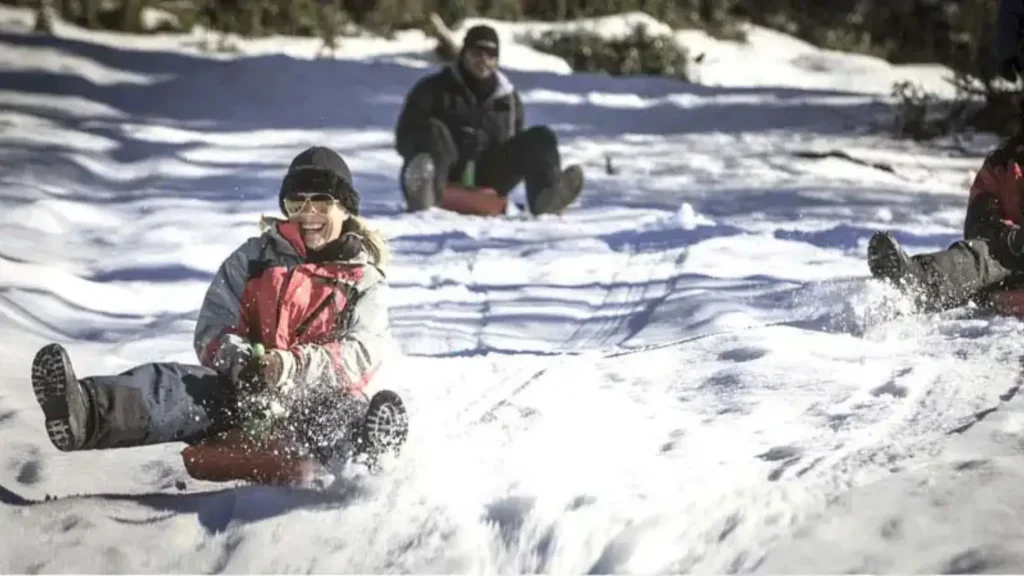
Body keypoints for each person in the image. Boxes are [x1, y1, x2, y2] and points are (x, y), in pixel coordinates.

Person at [29, 145, 407, 465]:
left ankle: (371, 446)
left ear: (345, 208)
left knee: (338, 414)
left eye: (321, 201)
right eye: (297, 202)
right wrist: (244, 364)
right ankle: (85, 412)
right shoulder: (254, 258)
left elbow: (362, 352)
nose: (308, 214)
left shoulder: (363, 279)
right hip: (247, 396)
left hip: (315, 401)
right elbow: (213, 326)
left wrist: (288, 367)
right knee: (176, 386)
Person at [394, 24, 584, 215]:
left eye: (491, 54)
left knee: (540, 137)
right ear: (464, 53)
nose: (483, 59)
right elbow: (404, 136)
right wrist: (429, 148)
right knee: (433, 130)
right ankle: (422, 192)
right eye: (477, 52)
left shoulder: (507, 100)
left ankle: (547, 197)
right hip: (442, 173)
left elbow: (514, 145)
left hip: (488, 175)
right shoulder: (433, 89)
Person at [868, 131, 1024, 312]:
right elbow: (978, 222)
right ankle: (917, 285)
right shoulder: (1001, 165)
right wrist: (1009, 236)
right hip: (1001, 269)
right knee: (984, 252)